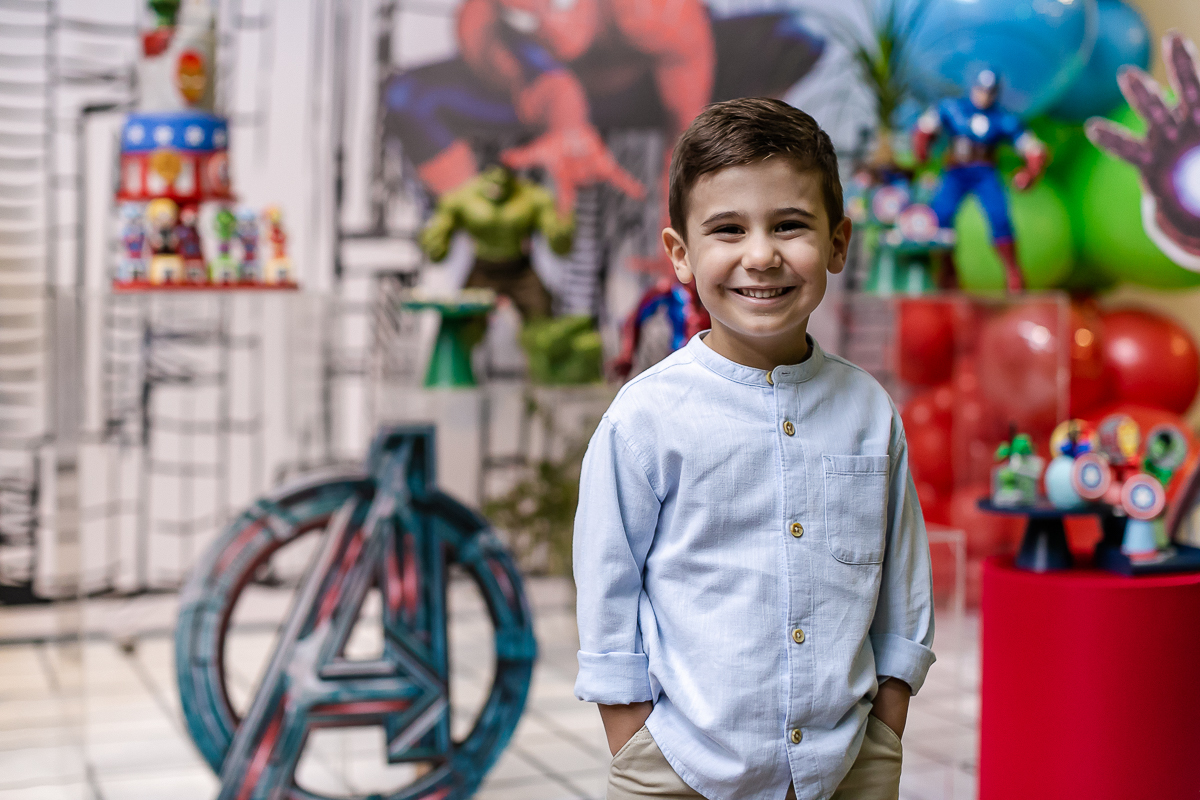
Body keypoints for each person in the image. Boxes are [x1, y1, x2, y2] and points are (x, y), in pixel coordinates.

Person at [573, 98, 935, 800]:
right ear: (681, 254)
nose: (761, 254)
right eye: (728, 229)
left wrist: (886, 728)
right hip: (681, 765)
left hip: (847, 762)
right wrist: (638, 742)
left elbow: (903, 582)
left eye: (790, 225)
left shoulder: (869, 412)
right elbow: (608, 589)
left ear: (837, 243)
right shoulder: (645, 418)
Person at [913, 68, 1046, 292]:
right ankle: (947, 271)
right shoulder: (952, 108)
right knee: (940, 218)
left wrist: (1031, 170)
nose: (984, 96)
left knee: (1000, 218)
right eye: (980, 90)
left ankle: (1013, 272)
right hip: (955, 171)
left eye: (989, 92)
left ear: (995, 94)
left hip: (985, 172)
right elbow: (925, 127)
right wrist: (922, 146)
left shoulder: (1004, 119)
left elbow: (1032, 147)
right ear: (973, 88)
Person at [419, 163, 573, 321]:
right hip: (483, 268)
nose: (497, 178)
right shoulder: (463, 197)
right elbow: (437, 245)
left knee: (542, 319)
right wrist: (435, 239)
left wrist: (563, 227)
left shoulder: (532, 197)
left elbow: (560, 245)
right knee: (463, 322)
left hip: (519, 269)